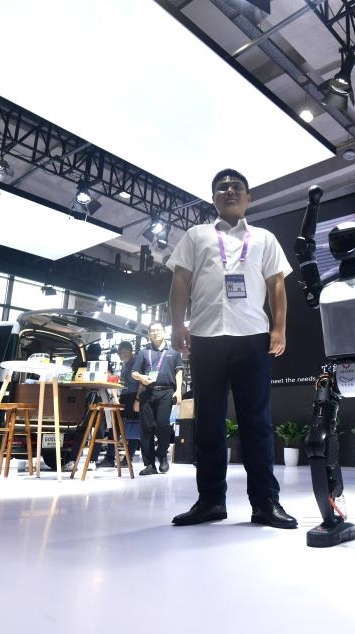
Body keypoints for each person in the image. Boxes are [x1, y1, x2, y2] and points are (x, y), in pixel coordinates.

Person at [165, 168, 297, 529]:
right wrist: (178, 324)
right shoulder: (196, 235)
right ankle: (210, 501)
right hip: (206, 337)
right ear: (213, 199)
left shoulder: (265, 238)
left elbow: (277, 285)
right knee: (208, 422)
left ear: (248, 198)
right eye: (222, 188)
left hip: (252, 336)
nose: (229, 191)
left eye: (236, 187)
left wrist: (279, 329)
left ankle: (265, 503)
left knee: (257, 423)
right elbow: (181, 280)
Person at [132, 323, 183, 475]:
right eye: (152, 330)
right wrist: (141, 377)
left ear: (164, 332)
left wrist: (178, 391)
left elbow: (179, 372)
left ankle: (162, 457)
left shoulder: (174, 351)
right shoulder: (143, 352)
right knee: (146, 428)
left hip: (166, 392)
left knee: (163, 425)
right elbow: (134, 373)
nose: (155, 333)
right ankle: (149, 465)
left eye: (158, 330)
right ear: (149, 334)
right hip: (147, 392)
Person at [99, 340, 140, 467]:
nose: (119, 354)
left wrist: (138, 399)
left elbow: (140, 382)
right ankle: (110, 457)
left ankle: (128, 458)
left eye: (120, 352)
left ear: (128, 350)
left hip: (133, 397)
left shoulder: (137, 362)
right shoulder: (125, 364)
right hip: (124, 396)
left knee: (132, 427)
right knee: (115, 426)